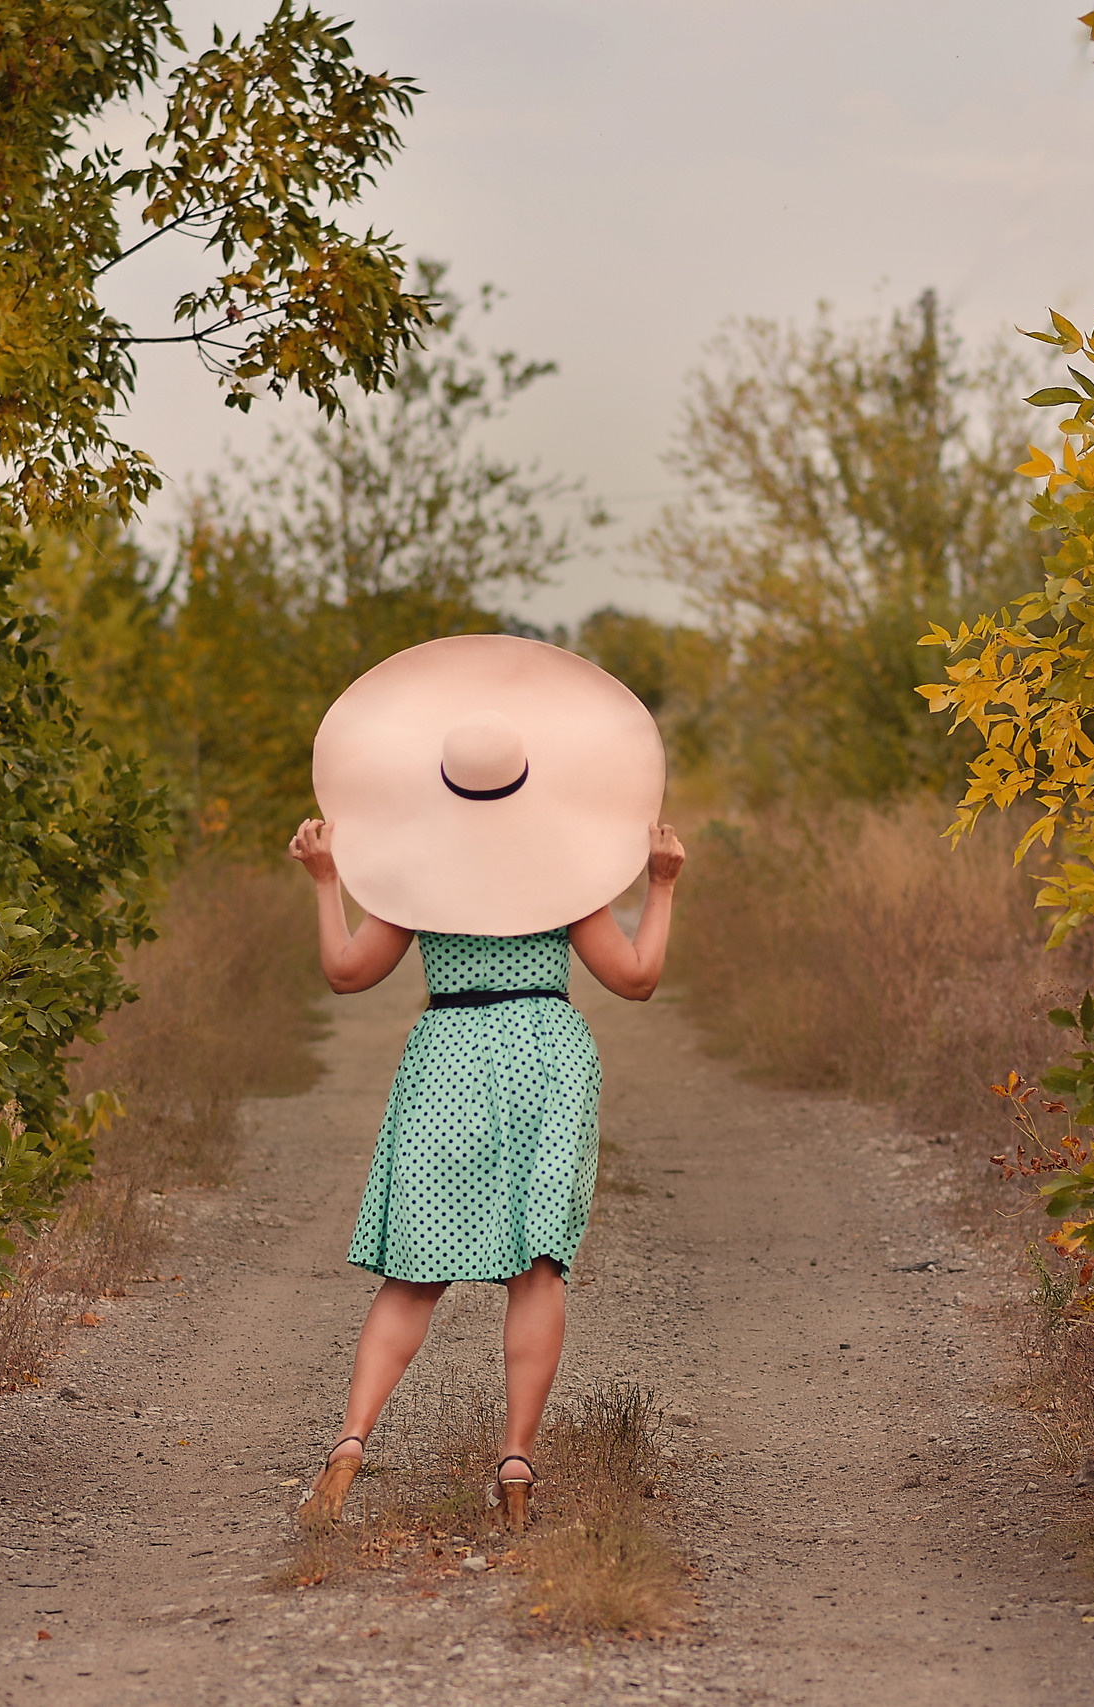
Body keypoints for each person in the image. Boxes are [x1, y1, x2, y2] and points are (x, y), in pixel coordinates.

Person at [286, 633, 685, 1532]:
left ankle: (351, 1440)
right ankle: (514, 1461)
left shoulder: (411, 869)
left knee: (412, 1273)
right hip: (546, 1047)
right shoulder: (568, 869)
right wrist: (660, 885)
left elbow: (348, 973)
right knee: (537, 1269)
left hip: (448, 1052)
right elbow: (636, 978)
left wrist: (324, 880)